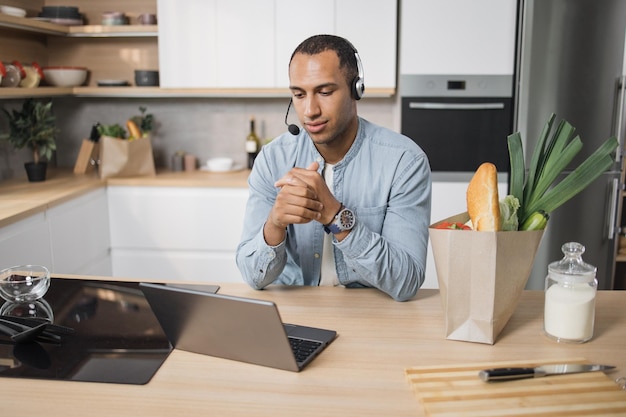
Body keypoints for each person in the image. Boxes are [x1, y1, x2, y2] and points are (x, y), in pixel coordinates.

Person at [235, 34, 431, 301]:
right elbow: (252, 276)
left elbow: (406, 282)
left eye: (324, 92)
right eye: (299, 95)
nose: (309, 111)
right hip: (296, 313)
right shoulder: (272, 159)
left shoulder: (404, 161)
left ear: (356, 90)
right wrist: (274, 225)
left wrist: (336, 216)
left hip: (372, 315)